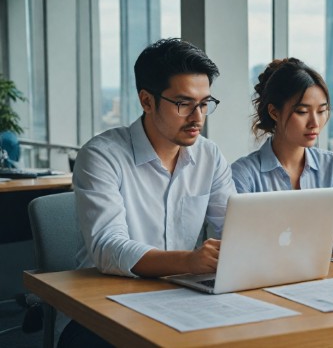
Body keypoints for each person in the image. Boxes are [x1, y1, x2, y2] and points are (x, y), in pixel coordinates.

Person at [61, 38, 236, 347]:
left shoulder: (210, 157)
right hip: (107, 305)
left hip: (183, 300)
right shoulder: (102, 156)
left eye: (205, 103)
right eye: (184, 104)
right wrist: (190, 261)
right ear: (147, 101)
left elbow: (235, 230)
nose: (198, 118)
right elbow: (108, 247)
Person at [231, 58, 333, 253]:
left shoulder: (328, 164)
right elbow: (240, 239)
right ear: (274, 112)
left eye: (322, 111)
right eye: (302, 112)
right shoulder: (244, 174)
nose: (314, 122)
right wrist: (331, 234)